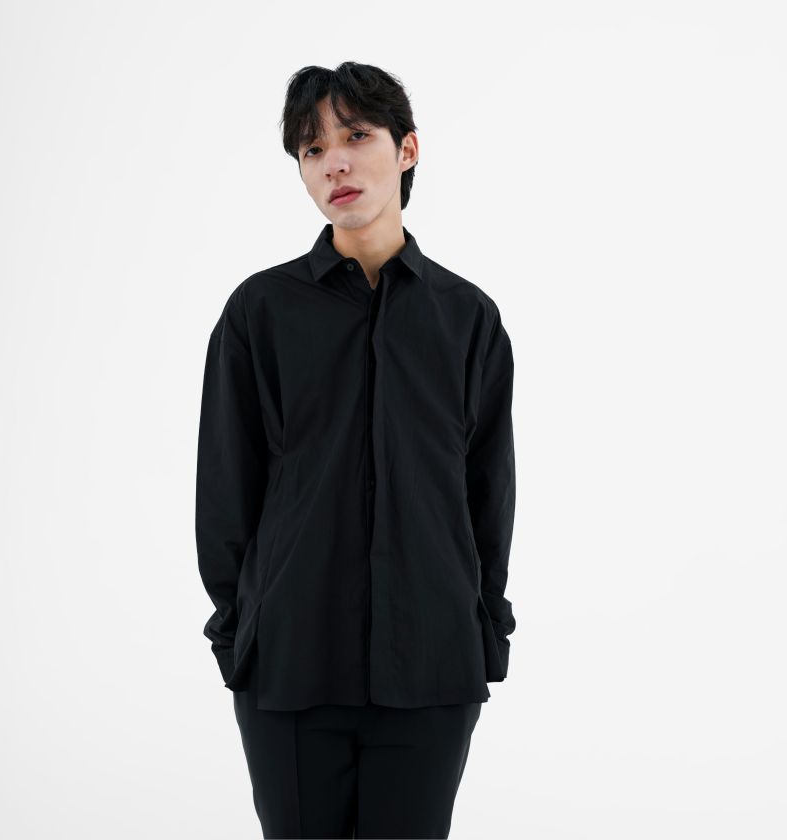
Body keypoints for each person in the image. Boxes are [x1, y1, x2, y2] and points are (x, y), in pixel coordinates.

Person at [195, 61, 517, 839]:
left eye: (356, 136)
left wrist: (486, 631)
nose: (334, 163)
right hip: (290, 668)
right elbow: (226, 490)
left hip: (432, 668)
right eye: (312, 149)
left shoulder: (468, 319)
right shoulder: (260, 312)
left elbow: (488, 493)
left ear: (407, 149)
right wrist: (238, 637)